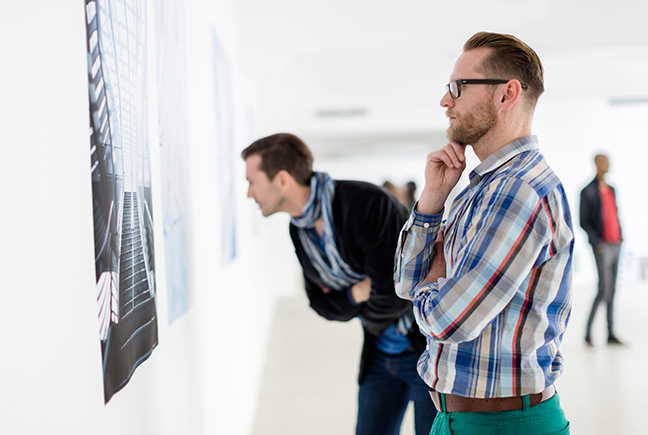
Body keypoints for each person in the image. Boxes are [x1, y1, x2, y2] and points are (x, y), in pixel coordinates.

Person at [394, 32, 573, 434]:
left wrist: (436, 280)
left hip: (504, 424)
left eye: (457, 88)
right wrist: (432, 202)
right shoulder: (479, 187)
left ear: (507, 94)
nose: (445, 102)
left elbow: (448, 320)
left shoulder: (519, 190)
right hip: (457, 418)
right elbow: (406, 284)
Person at [242, 133, 437, 435]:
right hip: (379, 353)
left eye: (252, 182)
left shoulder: (366, 203)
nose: (249, 194)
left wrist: (351, 300)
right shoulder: (299, 231)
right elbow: (321, 303)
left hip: (425, 353)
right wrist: (358, 291)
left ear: (281, 180)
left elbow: (398, 291)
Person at [580, 153, 624, 346]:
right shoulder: (587, 191)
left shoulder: (612, 190)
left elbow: (614, 214)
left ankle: (610, 333)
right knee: (603, 289)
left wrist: (620, 237)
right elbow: (584, 221)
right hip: (603, 246)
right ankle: (588, 333)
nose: (609, 164)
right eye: (606, 161)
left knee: (612, 290)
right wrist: (598, 242)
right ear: (598, 164)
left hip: (616, 244)